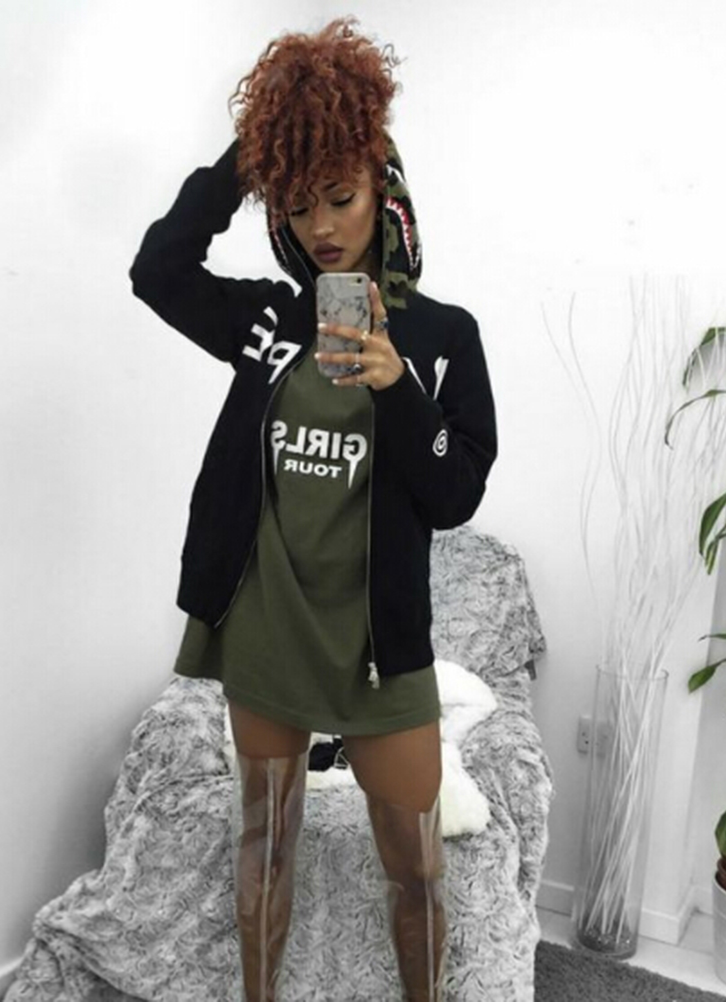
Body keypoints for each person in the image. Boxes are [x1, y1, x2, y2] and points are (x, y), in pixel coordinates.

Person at [129, 16, 497, 1002]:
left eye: (342, 195)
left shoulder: (444, 337)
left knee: (418, 869)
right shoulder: (266, 320)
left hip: (381, 650)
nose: (322, 226)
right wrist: (249, 159)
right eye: (297, 204)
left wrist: (397, 386)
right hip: (268, 637)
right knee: (263, 849)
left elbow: (456, 493)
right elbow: (157, 271)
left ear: (385, 191)